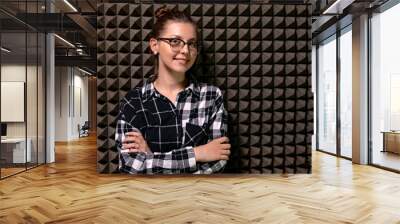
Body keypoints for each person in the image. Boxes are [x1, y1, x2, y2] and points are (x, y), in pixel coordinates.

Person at [115, 6, 230, 174]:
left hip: (199, 197)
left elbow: (218, 161)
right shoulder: (134, 101)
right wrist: (198, 153)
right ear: (154, 45)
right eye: (175, 41)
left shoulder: (211, 96)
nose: (185, 50)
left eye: (191, 44)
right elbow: (131, 166)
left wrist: (150, 157)